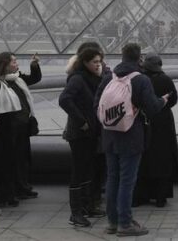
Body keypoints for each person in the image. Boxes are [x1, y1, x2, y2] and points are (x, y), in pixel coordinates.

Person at [95, 43, 167, 237]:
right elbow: (152, 107)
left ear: (122, 55)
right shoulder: (140, 80)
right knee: (127, 181)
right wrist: (163, 100)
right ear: (140, 58)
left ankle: (112, 222)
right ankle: (125, 223)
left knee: (112, 179)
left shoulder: (109, 77)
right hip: (131, 136)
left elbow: (97, 105)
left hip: (109, 135)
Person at [59, 46, 105, 227]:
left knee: (88, 169)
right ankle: (75, 212)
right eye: (95, 62)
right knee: (79, 171)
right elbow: (64, 99)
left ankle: (87, 206)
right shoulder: (78, 79)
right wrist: (81, 121)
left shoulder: (92, 78)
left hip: (90, 133)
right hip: (79, 134)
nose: (98, 65)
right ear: (85, 62)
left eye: (99, 61)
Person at [0, 52, 41, 207]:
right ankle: (8, 194)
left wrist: (34, 65)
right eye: (13, 61)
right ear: (4, 64)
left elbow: (35, 78)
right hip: (8, 130)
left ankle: (22, 187)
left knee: (22, 159)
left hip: (22, 127)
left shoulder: (18, 78)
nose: (16, 63)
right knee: (9, 162)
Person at [134, 55, 178, 207]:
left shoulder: (139, 79)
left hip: (144, 120)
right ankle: (161, 196)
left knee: (144, 159)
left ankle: (142, 195)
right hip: (163, 121)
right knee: (163, 157)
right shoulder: (165, 79)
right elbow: (173, 100)